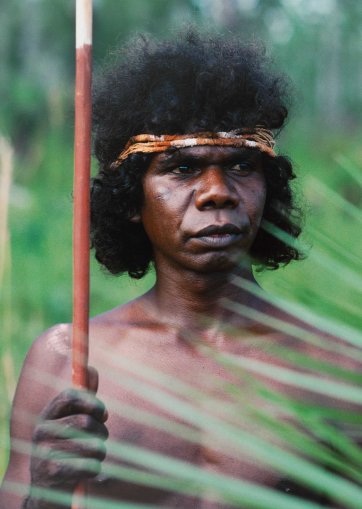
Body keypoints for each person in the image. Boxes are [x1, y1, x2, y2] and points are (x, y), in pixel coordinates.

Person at [1, 30, 359, 509]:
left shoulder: (334, 366)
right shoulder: (67, 360)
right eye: (183, 168)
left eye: (240, 165)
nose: (217, 191)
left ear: (269, 188)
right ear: (132, 198)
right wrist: (44, 494)